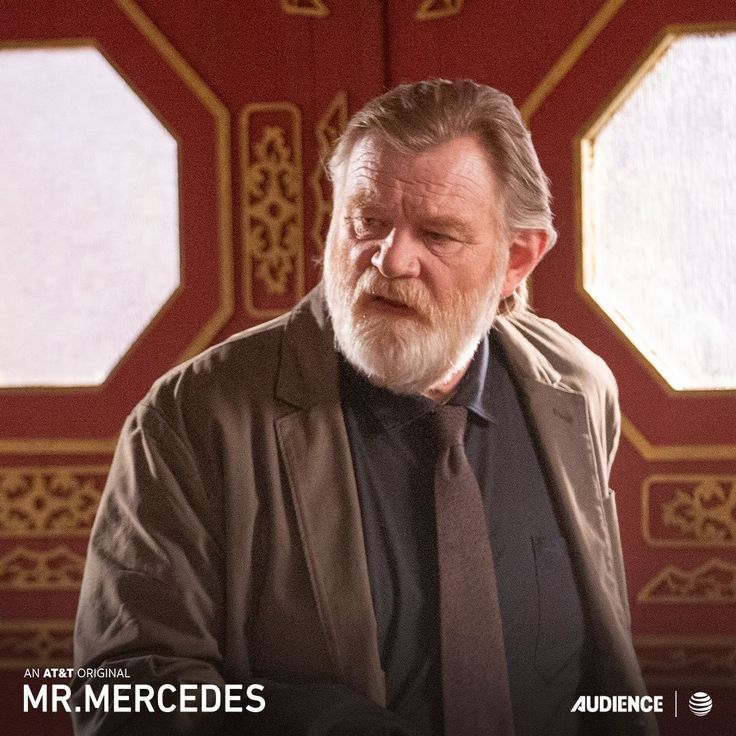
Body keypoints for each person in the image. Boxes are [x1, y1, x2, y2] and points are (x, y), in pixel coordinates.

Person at [73, 79, 657, 736]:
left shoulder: (575, 388)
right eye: (366, 222)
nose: (390, 259)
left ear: (516, 259)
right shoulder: (198, 414)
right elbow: (122, 693)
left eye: (437, 235)